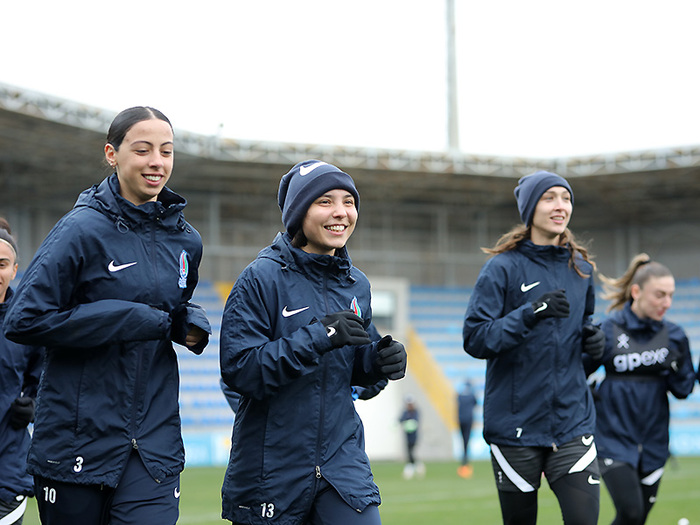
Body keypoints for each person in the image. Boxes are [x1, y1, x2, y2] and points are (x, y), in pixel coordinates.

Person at [3, 107, 211, 525]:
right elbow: (24, 319)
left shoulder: (187, 240)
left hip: (152, 446)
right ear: (112, 154)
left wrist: (190, 321)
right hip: (75, 440)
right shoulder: (80, 229)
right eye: (143, 149)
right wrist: (126, 319)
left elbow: (170, 309)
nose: (157, 161)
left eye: (166, 151)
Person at [219, 159, 407, 525]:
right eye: (325, 201)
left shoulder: (357, 284)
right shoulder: (260, 278)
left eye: (348, 201)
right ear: (298, 213)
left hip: (342, 463)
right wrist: (320, 336)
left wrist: (375, 363)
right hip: (271, 470)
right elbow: (240, 370)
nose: (341, 212)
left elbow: (349, 366)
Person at [462, 170, 605, 525]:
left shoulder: (582, 269)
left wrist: (594, 348)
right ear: (529, 209)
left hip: (572, 423)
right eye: (550, 198)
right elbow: (475, 338)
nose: (561, 206)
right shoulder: (501, 268)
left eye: (566, 198)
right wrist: (530, 312)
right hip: (516, 427)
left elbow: (578, 349)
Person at [586, 254, 696, 525]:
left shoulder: (676, 336)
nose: (667, 303)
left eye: (670, 295)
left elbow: (683, 389)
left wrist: (683, 366)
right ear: (636, 291)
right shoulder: (608, 329)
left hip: (654, 442)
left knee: (637, 518)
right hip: (612, 439)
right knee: (632, 512)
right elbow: (577, 373)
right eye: (660, 295)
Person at [0, 220, 43, 525]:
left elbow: (43, 381)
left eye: (1, 264)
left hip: (6, 473)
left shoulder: (27, 323)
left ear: (15, 270)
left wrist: (32, 404)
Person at [399, 396, 423, 480]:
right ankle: (416, 466)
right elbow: (400, 419)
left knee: (411, 451)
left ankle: (411, 468)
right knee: (409, 451)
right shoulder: (405, 412)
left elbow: (415, 422)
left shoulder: (415, 412)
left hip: (414, 435)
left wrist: (410, 423)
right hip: (407, 435)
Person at [456, 379, 477, 479]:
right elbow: (475, 404)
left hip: (461, 419)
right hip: (468, 420)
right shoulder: (471, 396)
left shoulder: (459, 396)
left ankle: (464, 459)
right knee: (466, 440)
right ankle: (465, 459)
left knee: (463, 440)